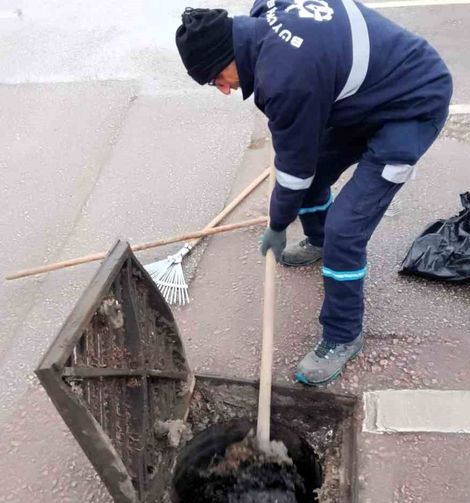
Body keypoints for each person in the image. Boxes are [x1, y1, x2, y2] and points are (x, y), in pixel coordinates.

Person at [175, 0, 452, 385]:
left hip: (412, 105)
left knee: (345, 229)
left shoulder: (286, 78)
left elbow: (294, 172)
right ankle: (319, 241)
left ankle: (343, 334)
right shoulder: (263, 18)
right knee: (316, 172)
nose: (223, 90)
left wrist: (277, 224)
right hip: (367, 97)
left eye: (217, 78)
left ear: (229, 55)